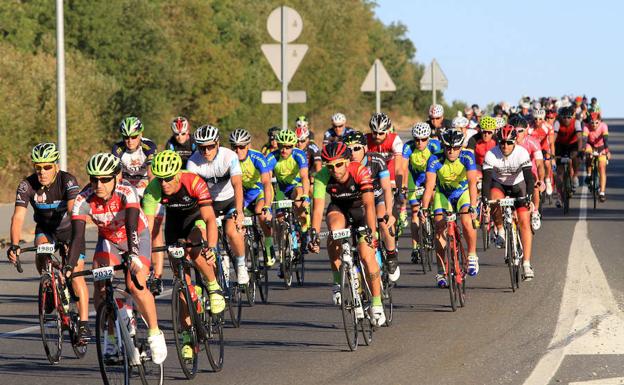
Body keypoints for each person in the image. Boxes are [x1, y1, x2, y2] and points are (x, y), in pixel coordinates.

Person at [64, 153, 167, 363]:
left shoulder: (126, 191)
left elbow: (131, 227)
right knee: (102, 286)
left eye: (104, 179)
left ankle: (155, 334)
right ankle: (110, 335)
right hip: (109, 239)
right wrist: (69, 266)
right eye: (94, 179)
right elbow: (77, 237)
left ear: (116, 178)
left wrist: (134, 255)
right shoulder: (83, 199)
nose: (98, 184)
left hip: (136, 236)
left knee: (135, 283)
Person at [142, 150, 224, 360]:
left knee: (194, 249)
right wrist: (143, 257)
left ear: (177, 174)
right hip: (175, 224)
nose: (164, 183)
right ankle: (188, 337)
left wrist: (212, 247)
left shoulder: (193, 182)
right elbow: (148, 228)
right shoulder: (153, 189)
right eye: (160, 179)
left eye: (168, 178)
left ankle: (213, 287)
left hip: (196, 218)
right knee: (181, 284)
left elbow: (209, 219)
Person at [307, 142, 385, 326]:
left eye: (339, 164)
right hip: (339, 209)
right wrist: (314, 234)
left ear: (347, 162)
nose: (335, 170)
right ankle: (337, 282)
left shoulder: (360, 171)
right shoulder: (322, 176)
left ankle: (376, 303)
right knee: (334, 232)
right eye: (330, 166)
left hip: (361, 211)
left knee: (367, 256)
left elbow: (369, 205)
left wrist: (371, 233)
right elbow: (318, 209)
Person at [187, 125, 249, 285]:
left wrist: (240, 211)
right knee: (203, 238)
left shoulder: (229, 156)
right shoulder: (193, 162)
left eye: (210, 146)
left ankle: (241, 265)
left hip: (229, 201)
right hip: (208, 204)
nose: (206, 151)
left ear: (217, 143)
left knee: (231, 231)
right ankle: (213, 274)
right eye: (202, 148)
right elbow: (191, 192)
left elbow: (237, 185)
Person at [420, 130, 479, 288]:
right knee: (439, 230)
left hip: (462, 193)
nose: (451, 151)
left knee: (466, 221)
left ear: (461, 147)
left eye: (455, 148)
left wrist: (473, 206)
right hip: (443, 195)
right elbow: (429, 186)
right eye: (448, 148)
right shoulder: (434, 159)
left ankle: (472, 255)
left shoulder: (467, 156)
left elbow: (473, 183)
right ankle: (441, 269)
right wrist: (423, 209)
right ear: (443, 147)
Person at [481, 125, 535, 280]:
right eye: (502, 143)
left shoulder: (522, 153)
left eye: (509, 142)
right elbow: (486, 181)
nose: (505, 146)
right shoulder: (491, 154)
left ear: (515, 142)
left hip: (519, 185)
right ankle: (501, 230)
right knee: (493, 198)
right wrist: (486, 202)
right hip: (499, 185)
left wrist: (529, 197)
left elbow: (529, 178)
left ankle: (526, 263)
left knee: (524, 222)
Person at [345, 131, 399, 281]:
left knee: (383, 221)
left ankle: (391, 255)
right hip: (358, 201)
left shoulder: (376, 160)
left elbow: (387, 188)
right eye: (348, 149)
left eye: (356, 148)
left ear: (365, 148)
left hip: (377, 197)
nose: (352, 153)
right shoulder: (345, 165)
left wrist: (389, 212)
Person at [228, 128, 276, 265]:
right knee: (238, 224)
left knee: (259, 213)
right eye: (235, 147)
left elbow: (267, 182)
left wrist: (267, 206)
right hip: (242, 195)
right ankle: (243, 261)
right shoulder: (229, 159)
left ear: (248, 146)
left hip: (259, 192)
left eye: (242, 147)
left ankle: (268, 244)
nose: (238, 150)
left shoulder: (257, 157)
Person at [400, 122, 442, 264]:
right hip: (415, 179)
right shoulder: (408, 146)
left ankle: (433, 227)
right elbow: (403, 168)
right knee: (415, 211)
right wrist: (403, 186)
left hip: (431, 177)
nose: (419, 142)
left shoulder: (435, 146)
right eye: (417, 139)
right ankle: (416, 247)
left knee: (432, 198)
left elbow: (440, 165)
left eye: (423, 139)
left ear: (428, 138)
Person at [112, 116, 158, 197]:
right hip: (126, 183)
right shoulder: (117, 148)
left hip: (144, 182)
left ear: (140, 134)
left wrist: (152, 196)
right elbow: (117, 177)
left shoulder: (149, 146)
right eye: (126, 137)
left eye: (133, 137)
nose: (130, 141)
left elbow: (152, 175)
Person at [514, 118, 545, 230]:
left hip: (530, 171)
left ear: (526, 130)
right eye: (515, 131)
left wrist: (541, 180)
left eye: (520, 131)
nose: (517, 134)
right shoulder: (508, 142)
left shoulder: (532, 142)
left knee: (535, 185)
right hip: (513, 172)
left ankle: (535, 212)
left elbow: (540, 164)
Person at [554, 106, 583, 204]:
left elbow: (579, 138)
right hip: (560, 145)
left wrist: (580, 150)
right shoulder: (557, 123)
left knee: (575, 157)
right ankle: (559, 197)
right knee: (559, 172)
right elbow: (553, 138)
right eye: (564, 117)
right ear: (561, 117)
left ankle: (575, 176)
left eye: (568, 117)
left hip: (573, 144)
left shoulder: (576, 122)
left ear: (572, 117)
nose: (566, 119)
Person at [583, 112, 610, 201]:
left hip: (601, 147)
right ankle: (589, 174)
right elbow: (584, 139)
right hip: (590, 145)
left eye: (596, 122)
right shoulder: (586, 127)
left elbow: (605, 140)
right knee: (588, 154)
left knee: (602, 168)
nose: (594, 125)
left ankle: (602, 193)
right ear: (589, 122)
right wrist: (584, 150)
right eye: (592, 122)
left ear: (600, 121)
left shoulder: (604, 126)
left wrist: (607, 151)